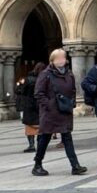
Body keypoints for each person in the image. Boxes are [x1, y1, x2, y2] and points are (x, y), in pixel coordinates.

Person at [32, 48, 86, 177]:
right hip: (50, 113)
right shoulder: (46, 74)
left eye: (63, 57)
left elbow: (73, 90)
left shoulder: (69, 74)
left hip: (64, 110)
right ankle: (37, 164)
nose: (62, 60)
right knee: (45, 138)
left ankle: (75, 166)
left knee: (67, 137)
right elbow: (38, 93)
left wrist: (71, 102)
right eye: (59, 58)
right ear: (53, 60)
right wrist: (49, 104)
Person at [20, 63, 45, 152]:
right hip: (40, 104)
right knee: (40, 126)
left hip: (29, 105)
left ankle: (31, 145)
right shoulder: (45, 79)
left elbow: (22, 91)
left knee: (29, 126)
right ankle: (39, 144)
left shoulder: (29, 79)